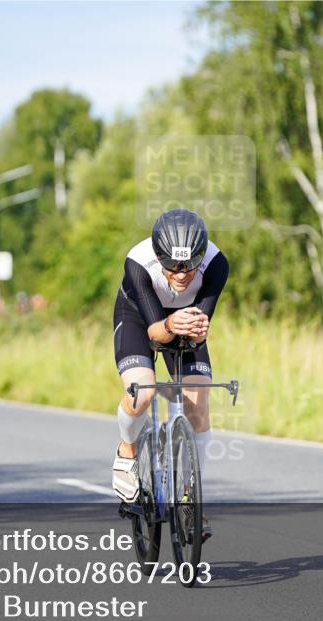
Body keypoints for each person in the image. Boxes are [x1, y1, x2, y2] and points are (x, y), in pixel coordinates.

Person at [111, 209, 229, 540]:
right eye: (172, 266)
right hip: (138, 316)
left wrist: (196, 330)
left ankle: (190, 496)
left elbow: (200, 329)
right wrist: (169, 325)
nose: (180, 275)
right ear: (158, 255)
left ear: (200, 256)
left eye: (189, 265)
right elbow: (154, 331)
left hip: (186, 318)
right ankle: (127, 450)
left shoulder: (217, 265)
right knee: (143, 391)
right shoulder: (138, 262)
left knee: (198, 404)